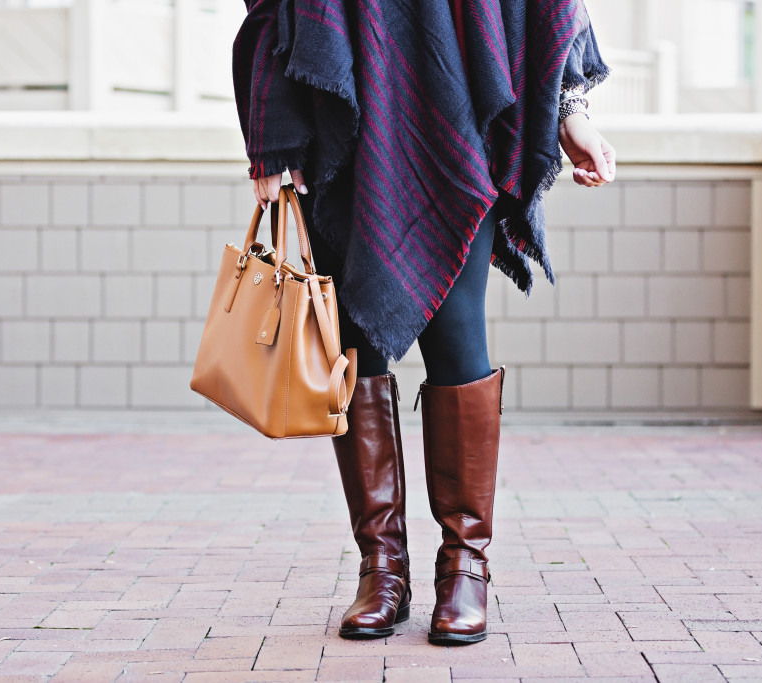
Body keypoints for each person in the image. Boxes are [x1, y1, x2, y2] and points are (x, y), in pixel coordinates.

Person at [233, 0, 615, 645]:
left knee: (457, 331)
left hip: (461, 114)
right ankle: (382, 568)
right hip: (342, 117)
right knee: (351, 341)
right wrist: (273, 134)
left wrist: (570, 115)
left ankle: (466, 565)